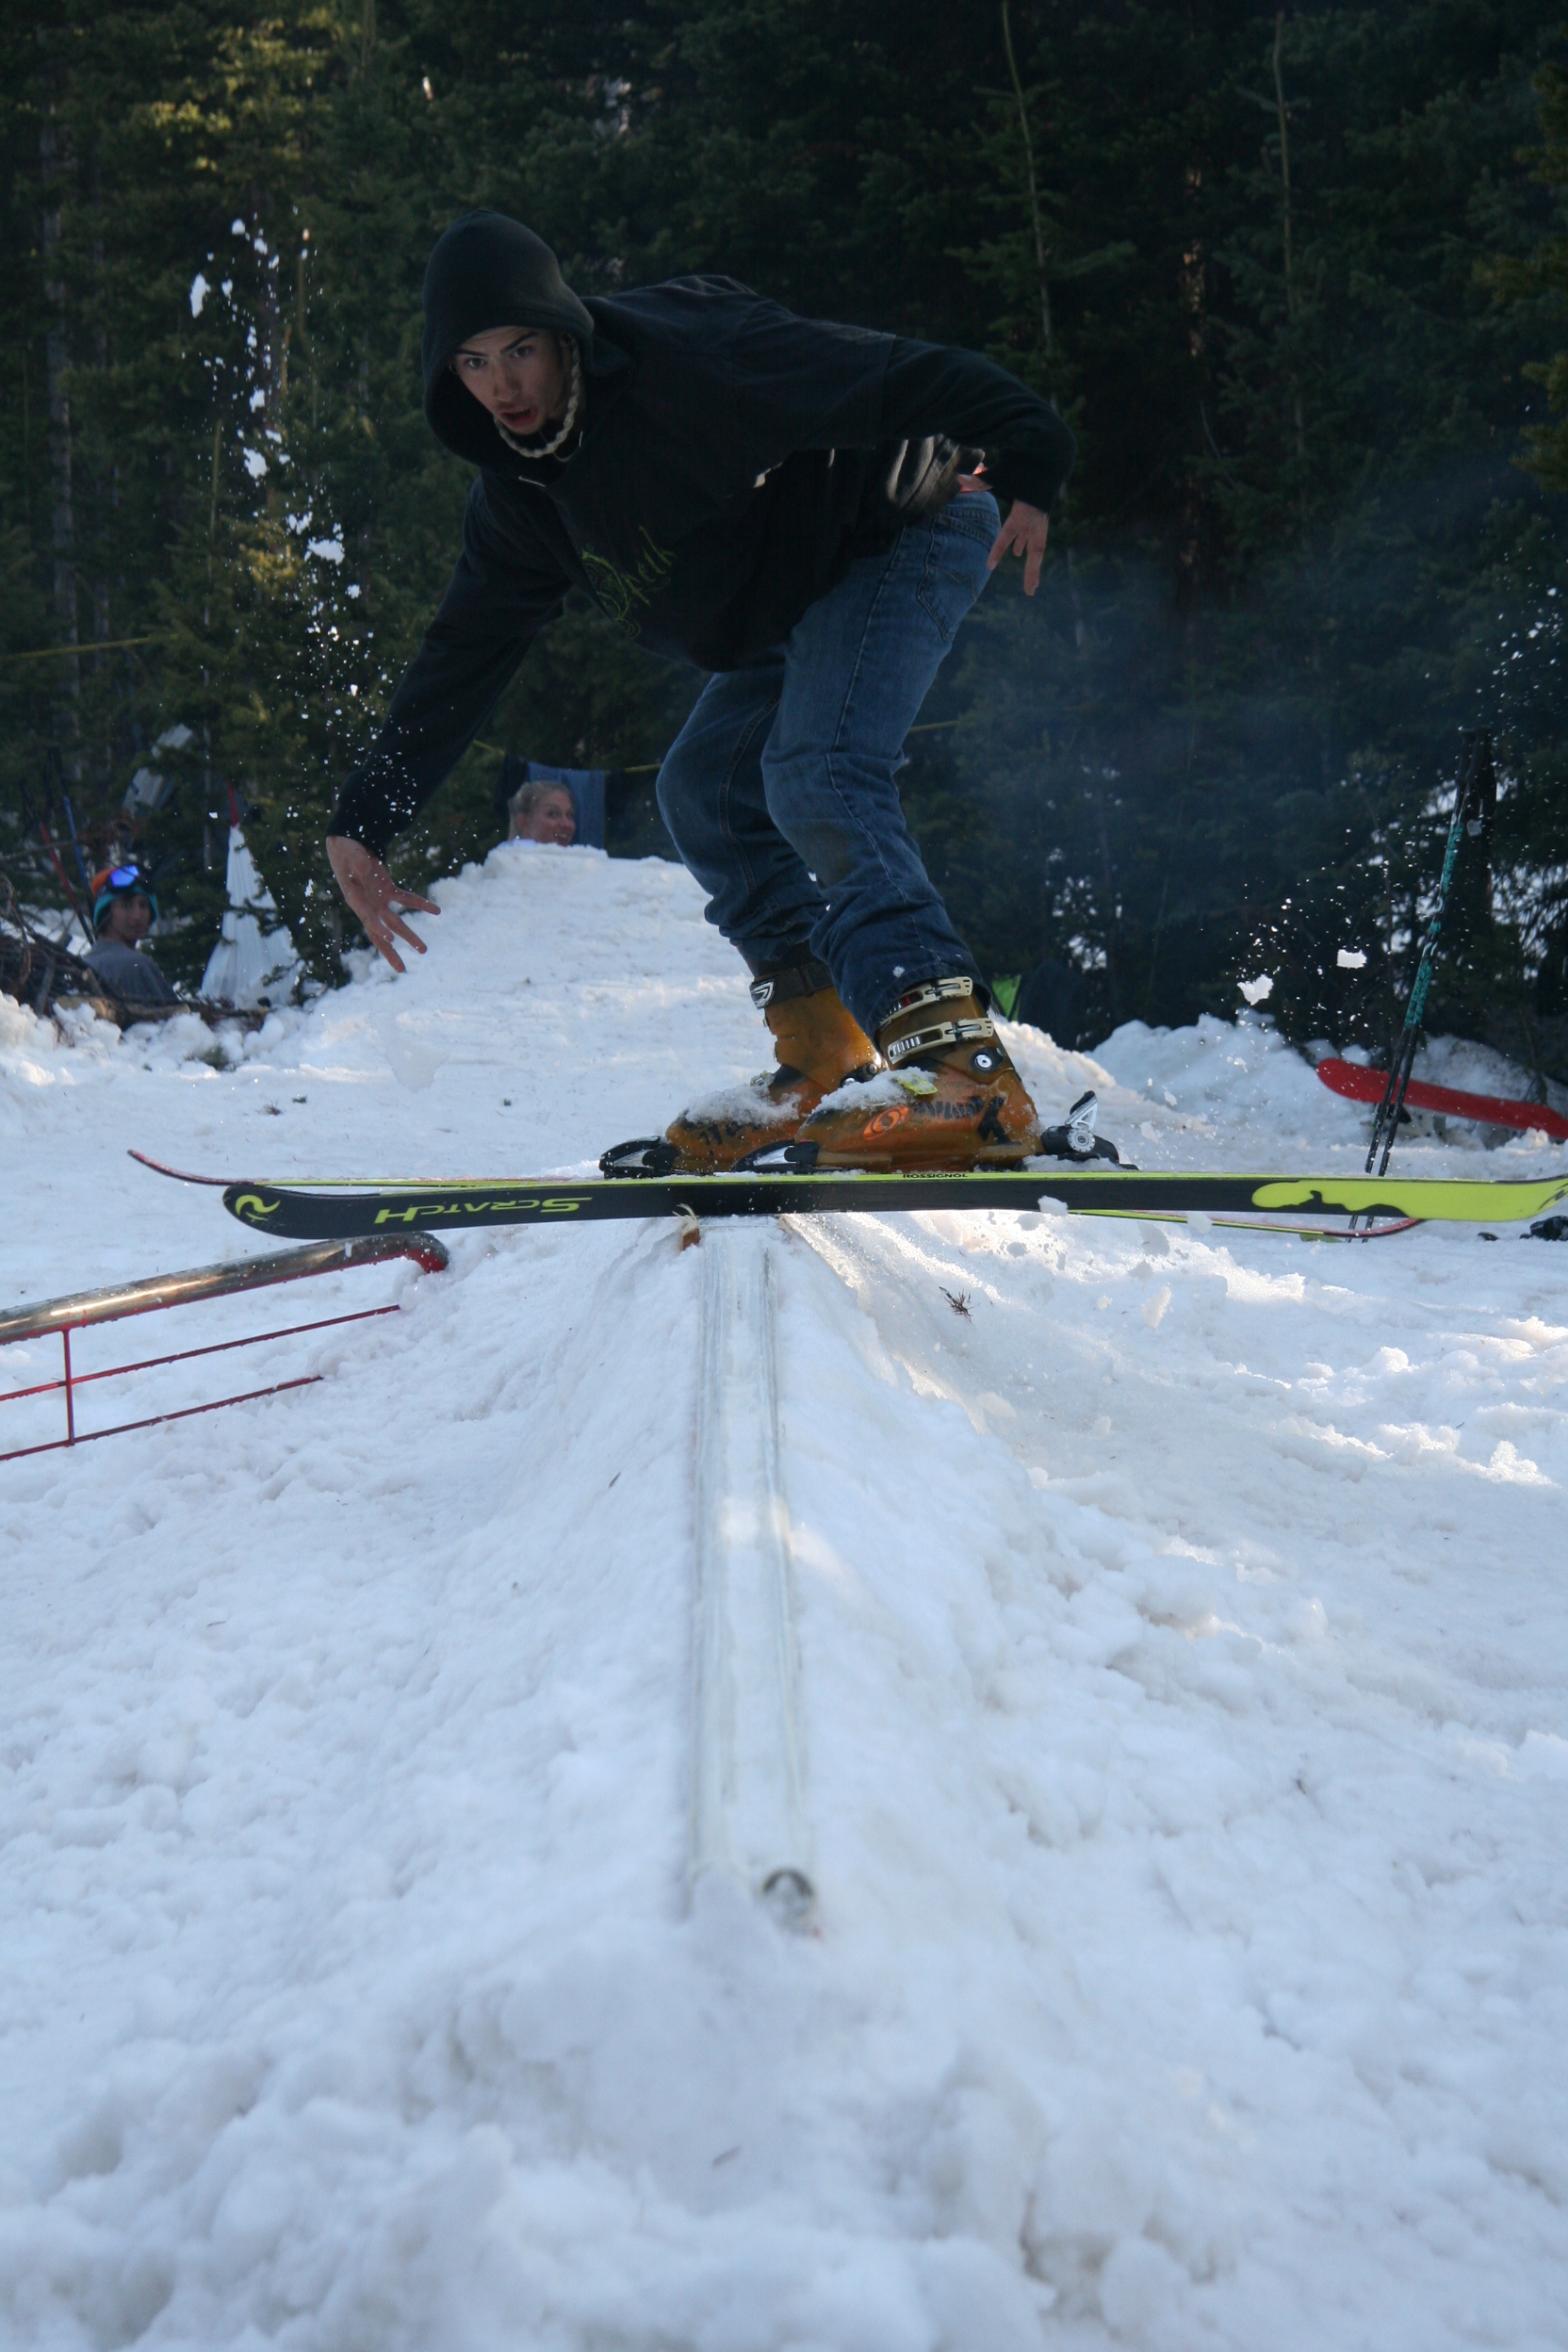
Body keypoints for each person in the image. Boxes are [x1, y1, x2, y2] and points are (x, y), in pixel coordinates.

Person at [325, 213, 1074, 1170]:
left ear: (564, 335)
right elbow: (461, 655)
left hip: (906, 525)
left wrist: (1029, 453)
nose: (502, 384)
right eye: (473, 363)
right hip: (794, 593)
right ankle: (826, 1056)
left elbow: (892, 370)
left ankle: (965, 1074)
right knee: (704, 793)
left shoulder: (695, 360)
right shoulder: (519, 501)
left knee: (817, 770)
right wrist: (366, 817)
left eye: (520, 350)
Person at [84, 864, 181, 1010]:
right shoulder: (138, 965)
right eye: (126, 905)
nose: (136, 916)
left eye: (143, 906)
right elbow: (178, 1022)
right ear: (106, 912)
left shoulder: (84, 963)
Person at [507, 777, 578, 845]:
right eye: (553, 814)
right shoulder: (505, 857)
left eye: (569, 815)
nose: (566, 824)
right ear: (524, 823)